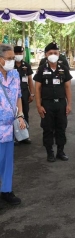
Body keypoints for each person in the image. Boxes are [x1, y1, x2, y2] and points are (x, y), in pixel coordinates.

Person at [33, 42, 72, 162]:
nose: (53, 55)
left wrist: (69, 104)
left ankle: (60, 151)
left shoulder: (63, 69)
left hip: (60, 103)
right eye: (50, 53)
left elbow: (67, 88)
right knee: (48, 128)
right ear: (46, 55)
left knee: (61, 127)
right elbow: (37, 88)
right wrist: (38, 105)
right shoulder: (41, 69)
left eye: (55, 53)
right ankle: (50, 152)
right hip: (47, 104)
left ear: (59, 54)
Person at [0, 44, 25, 205]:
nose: (11, 61)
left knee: (7, 161)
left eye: (12, 58)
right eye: (8, 59)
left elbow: (18, 96)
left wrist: (21, 115)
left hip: (10, 126)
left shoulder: (15, 74)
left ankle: (6, 191)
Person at [14, 45, 34, 144]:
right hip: (13, 95)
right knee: (14, 115)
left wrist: (32, 94)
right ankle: (16, 137)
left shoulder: (26, 65)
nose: (18, 55)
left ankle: (25, 136)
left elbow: (30, 80)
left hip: (24, 93)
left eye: (20, 53)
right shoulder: (9, 65)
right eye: (16, 53)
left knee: (25, 113)